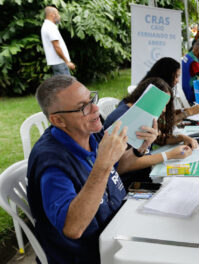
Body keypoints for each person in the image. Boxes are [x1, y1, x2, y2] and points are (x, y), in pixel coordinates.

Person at [26, 75, 160, 263]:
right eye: (83, 107)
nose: (95, 108)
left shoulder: (90, 135)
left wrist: (141, 148)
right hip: (91, 253)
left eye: (92, 99)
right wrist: (102, 165)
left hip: (118, 224)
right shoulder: (52, 162)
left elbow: (116, 167)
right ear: (58, 120)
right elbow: (73, 228)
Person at [104, 77, 197, 189]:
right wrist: (169, 155)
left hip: (145, 174)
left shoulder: (140, 112)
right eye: (162, 104)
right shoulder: (123, 118)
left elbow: (156, 138)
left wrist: (181, 138)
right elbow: (123, 165)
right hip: (129, 183)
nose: (163, 110)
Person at [141, 57, 199, 123]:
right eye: (176, 76)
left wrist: (181, 111)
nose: (178, 81)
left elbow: (164, 115)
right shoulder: (157, 92)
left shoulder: (153, 87)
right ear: (166, 75)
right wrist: (187, 113)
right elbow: (162, 123)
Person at [41, 6, 75, 76]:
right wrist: (67, 62)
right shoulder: (50, 27)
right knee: (66, 85)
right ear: (52, 15)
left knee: (61, 85)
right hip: (59, 62)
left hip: (57, 62)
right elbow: (56, 46)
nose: (59, 16)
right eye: (58, 14)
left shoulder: (47, 25)